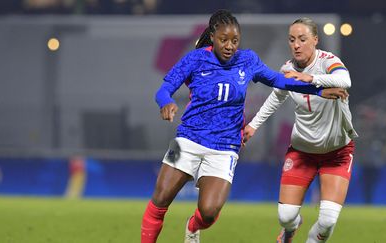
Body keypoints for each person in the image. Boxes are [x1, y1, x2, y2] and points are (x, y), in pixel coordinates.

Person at [141, 10, 347, 243]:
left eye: (235, 40)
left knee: (209, 213)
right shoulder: (195, 59)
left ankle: (193, 226)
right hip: (188, 139)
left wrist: (318, 89)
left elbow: (279, 80)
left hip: (225, 146)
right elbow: (164, 89)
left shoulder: (247, 60)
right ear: (213, 36)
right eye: (223, 40)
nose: (230, 46)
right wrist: (166, 101)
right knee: (160, 201)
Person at [243, 17, 358, 243]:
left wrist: (312, 78)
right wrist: (254, 124)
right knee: (286, 217)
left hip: (337, 153)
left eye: (302, 39)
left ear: (315, 40)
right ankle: (292, 228)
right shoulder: (287, 69)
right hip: (302, 151)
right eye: (292, 40)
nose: (296, 44)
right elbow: (275, 98)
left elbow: (345, 80)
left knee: (327, 222)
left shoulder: (328, 62)